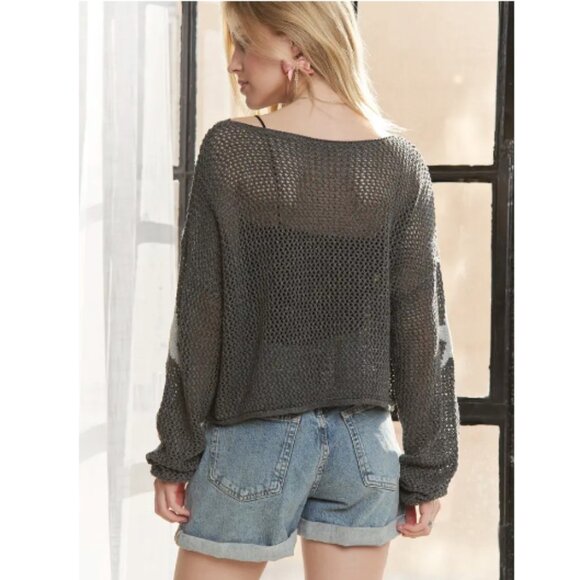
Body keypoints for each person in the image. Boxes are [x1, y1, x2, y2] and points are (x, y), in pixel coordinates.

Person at [145, 2, 460, 579]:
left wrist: (176, 452)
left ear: (296, 47)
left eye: (244, 44)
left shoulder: (232, 149)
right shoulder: (400, 162)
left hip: (251, 442)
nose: (234, 64)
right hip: (364, 450)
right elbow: (423, 332)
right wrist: (429, 470)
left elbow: (200, 317)